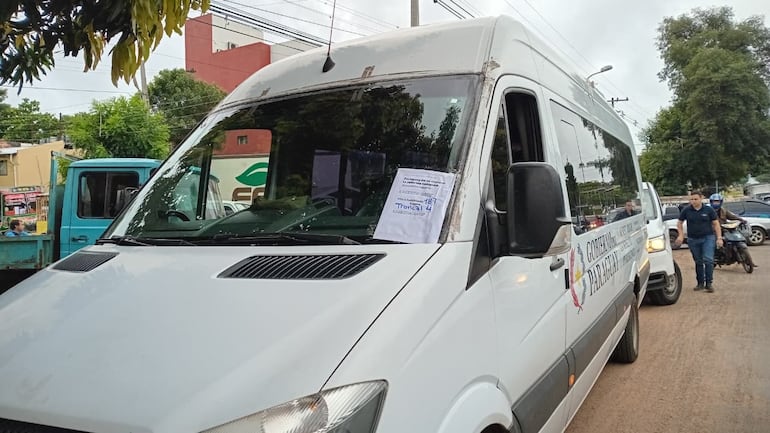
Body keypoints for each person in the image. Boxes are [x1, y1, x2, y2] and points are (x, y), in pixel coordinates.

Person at [676, 191, 721, 292]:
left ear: (701, 198)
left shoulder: (708, 210)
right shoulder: (686, 210)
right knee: (698, 261)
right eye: (691, 199)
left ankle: (709, 283)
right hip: (693, 239)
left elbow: (716, 224)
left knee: (708, 260)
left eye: (696, 199)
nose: (693, 201)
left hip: (708, 238)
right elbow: (679, 223)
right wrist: (681, 235)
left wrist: (719, 238)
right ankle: (700, 283)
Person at [709, 193, 758, 268]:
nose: (716, 203)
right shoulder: (708, 210)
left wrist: (741, 220)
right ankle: (716, 257)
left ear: (721, 202)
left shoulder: (723, 210)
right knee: (715, 243)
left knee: (737, 238)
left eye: (718, 201)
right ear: (711, 202)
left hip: (725, 228)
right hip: (713, 231)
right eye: (714, 201)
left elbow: (732, 216)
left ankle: (748, 261)